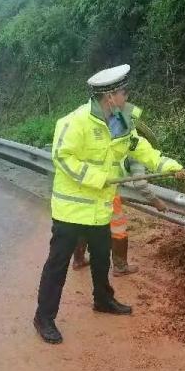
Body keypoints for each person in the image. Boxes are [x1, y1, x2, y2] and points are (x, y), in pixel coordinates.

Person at [33, 64, 183, 344]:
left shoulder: (122, 121)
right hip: (72, 210)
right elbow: (62, 157)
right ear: (110, 96)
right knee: (58, 264)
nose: (127, 96)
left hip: (100, 209)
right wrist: (98, 178)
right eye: (124, 92)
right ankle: (44, 317)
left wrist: (168, 165)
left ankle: (103, 300)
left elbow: (141, 149)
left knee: (101, 260)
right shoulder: (75, 122)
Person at [71, 117, 168, 276]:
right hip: (106, 193)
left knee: (84, 224)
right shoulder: (135, 153)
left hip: (86, 188)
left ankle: (78, 260)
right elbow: (141, 185)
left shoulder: (105, 143)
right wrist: (156, 202)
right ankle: (120, 266)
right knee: (118, 229)